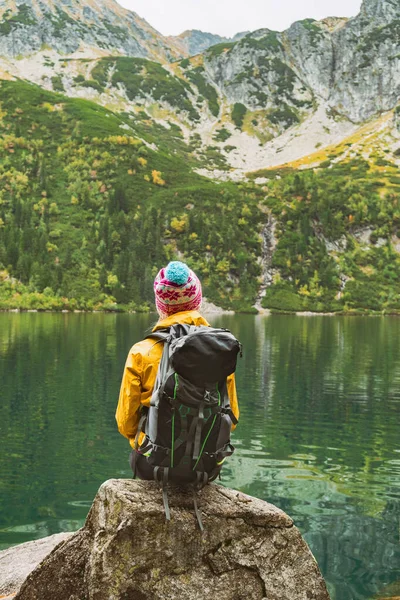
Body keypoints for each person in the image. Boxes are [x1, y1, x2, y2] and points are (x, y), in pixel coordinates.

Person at [116, 261, 239, 480]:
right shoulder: (218, 351)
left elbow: (126, 423)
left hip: (152, 466)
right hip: (205, 468)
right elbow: (233, 418)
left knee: (136, 452)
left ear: (160, 306)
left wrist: (148, 442)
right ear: (197, 302)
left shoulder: (142, 352)